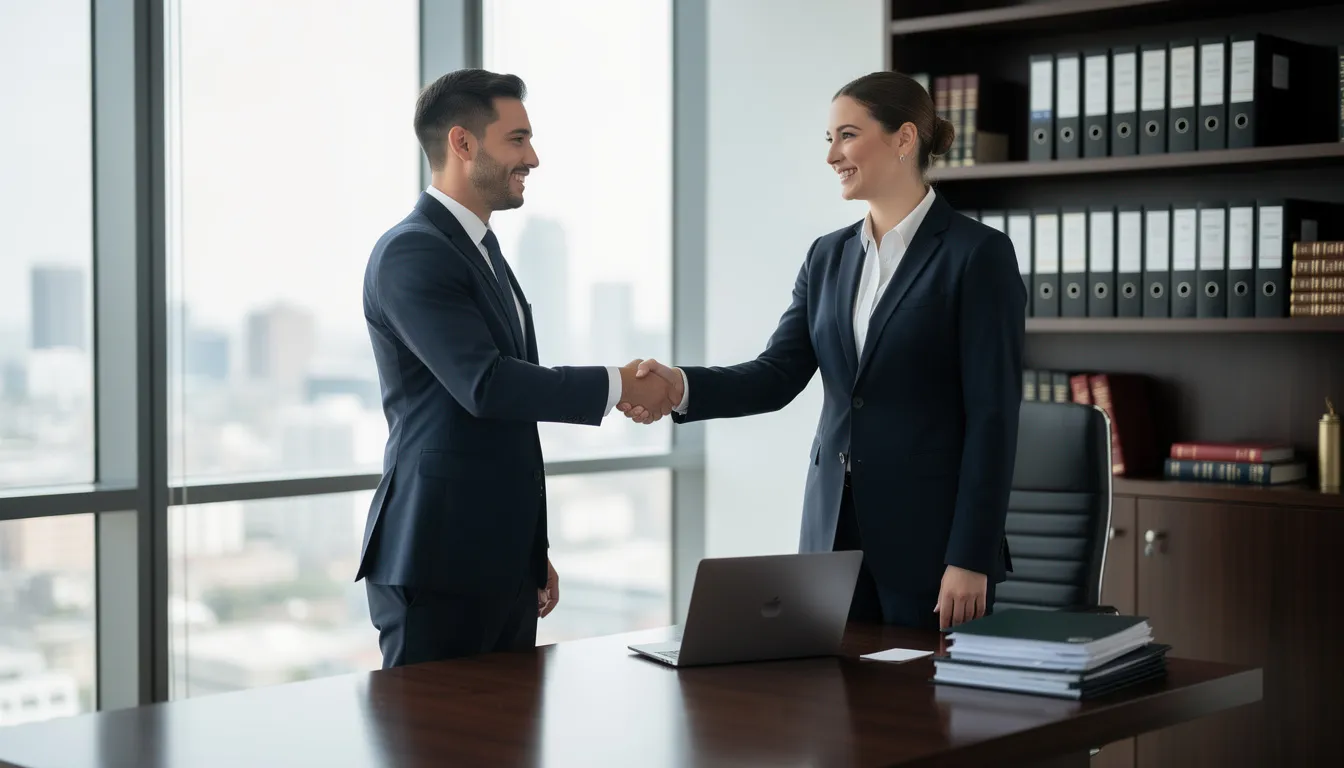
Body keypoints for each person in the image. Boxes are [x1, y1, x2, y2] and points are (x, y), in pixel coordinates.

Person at [623, 71, 1025, 631]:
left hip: (931, 549)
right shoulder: (827, 257)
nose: (832, 154)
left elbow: (993, 418)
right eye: (829, 138)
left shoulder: (977, 255)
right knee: (829, 707)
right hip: (831, 538)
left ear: (904, 138)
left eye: (848, 135)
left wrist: (970, 557)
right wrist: (680, 386)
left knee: (926, 713)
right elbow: (775, 373)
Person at [357, 68, 679, 668]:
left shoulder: (483, 249)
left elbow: (507, 423)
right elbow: (487, 386)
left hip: (495, 563)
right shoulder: (412, 251)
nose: (533, 156)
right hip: (438, 563)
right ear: (462, 143)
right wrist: (616, 384)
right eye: (517, 139)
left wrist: (529, 550)